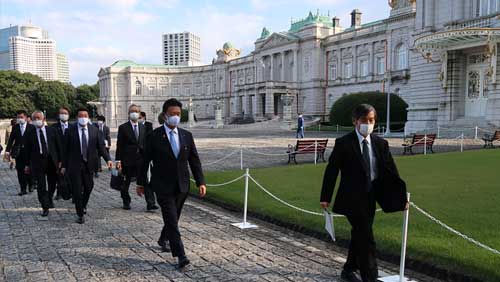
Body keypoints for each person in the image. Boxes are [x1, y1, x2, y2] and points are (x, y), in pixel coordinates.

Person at [320, 104, 407, 282]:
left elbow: (391, 171)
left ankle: (348, 269)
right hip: (352, 198)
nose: (368, 123)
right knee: (366, 237)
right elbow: (332, 170)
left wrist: (401, 198)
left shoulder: (381, 144)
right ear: (355, 121)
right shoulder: (344, 143)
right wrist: (325, 197)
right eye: (365, 120)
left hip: (371, 197)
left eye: (372, 120)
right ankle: (370, 277)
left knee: (359, 234)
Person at [137, 98, 206, 269]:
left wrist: (201, 182)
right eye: (172, 114)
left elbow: (194, 161)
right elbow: (144, 162)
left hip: (182, 185)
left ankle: (163, 238)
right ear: (165, 115)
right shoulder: (153, 136)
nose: (176, 117)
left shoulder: (186, 135)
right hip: (162, 185)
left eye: (178, 114)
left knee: (173, 218)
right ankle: (181, 255)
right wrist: (140, 183)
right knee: (172, 220)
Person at [61, 108, 112, 224]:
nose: (83, 117)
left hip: (89, 165)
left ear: (88, 117)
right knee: (77, 190)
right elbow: (65, 150)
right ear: (77, 117)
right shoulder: (70, 131)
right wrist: (63, 165)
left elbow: (101, 147)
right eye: (80, 115)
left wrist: (108, 159)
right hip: (74, 165)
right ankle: (80, 214)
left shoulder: (94, 131)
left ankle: (83, 205)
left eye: (85, 115)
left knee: (89, 187)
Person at [116, 105, 157, 211]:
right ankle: (126, 201)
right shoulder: (123, 127)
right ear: (129, 113)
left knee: (146, 181)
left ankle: (150, 203)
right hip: (127, 160)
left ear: (139, 114)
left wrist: (150, 157)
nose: (135, 113)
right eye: (132, 111)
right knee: (126, 183)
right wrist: (118, 160)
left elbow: (145, 143)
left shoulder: (143, 127)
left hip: (141, 159)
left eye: (137, 111)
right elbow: (119, 145)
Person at [24, 111, 61, 216]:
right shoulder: (30, 133)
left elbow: (59, 147)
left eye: (39, 118)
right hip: (37, 162)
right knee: (41, 185)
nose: (37, 120)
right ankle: (45, 206)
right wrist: (27, 164)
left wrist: (60, 161)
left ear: (43, 119)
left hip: (51, 161)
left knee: (52, 183)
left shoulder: (52, 131)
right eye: (34, 118)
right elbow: (27, 150)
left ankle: (49, 198)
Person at [5, 110, 36, 195]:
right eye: (18, 117)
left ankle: (31, 184)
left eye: (21, 117)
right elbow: (11, 139)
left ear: (26, 117)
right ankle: (23, 188)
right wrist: (7, 151)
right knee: (20, 171)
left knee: (29, 170)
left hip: (29, 153)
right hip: (18, 153)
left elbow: (34, 141)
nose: (19, 119)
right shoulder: (15, 127)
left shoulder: (31, 127)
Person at [51, 107, 71, 200]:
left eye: (65, 113)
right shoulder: (54, 127)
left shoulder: (72, 127)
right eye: (61, 113)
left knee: (71, 176)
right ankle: (59, 192)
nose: (63, 115)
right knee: (59, 175)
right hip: (58, 155)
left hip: (70, 156)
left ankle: (72, 193)